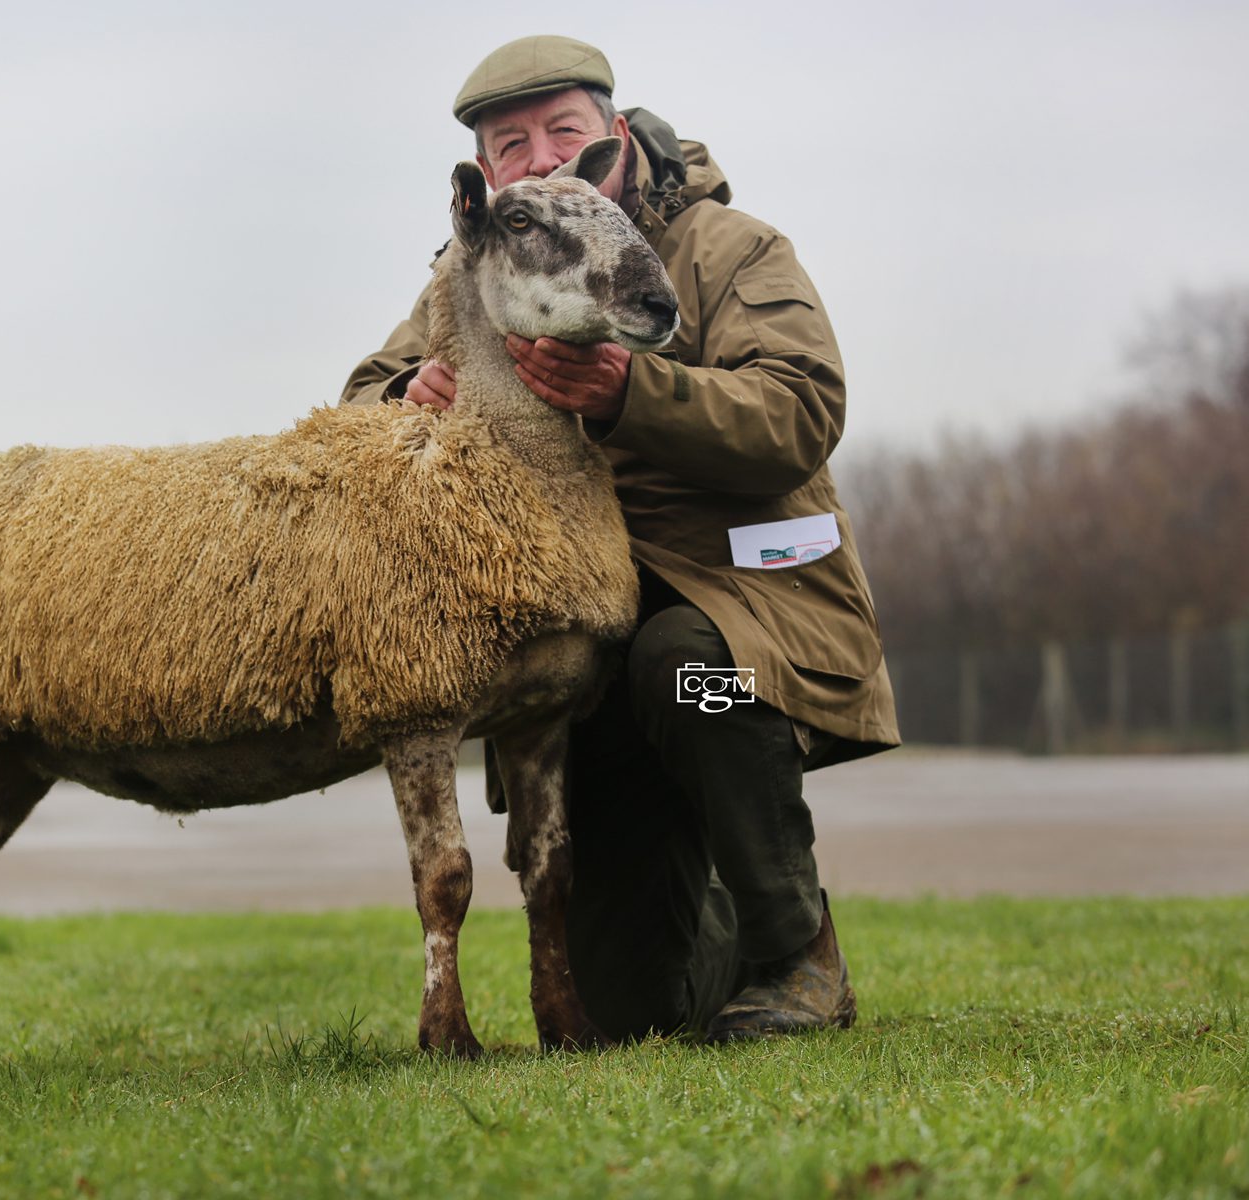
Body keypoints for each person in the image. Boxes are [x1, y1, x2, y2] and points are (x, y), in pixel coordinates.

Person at [341, 35, 900, 1042]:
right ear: (487, 170)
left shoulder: (732, 249)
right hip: (588, 650)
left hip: (747, 635)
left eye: (564, 128)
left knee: (684, 669)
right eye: (510, 143)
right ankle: (721, 913)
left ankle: (799, 952)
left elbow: (800, 412)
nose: (540, 155)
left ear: (612, 139)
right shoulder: (472, 272)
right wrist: (403, 400)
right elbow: (359, 401)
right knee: (624, 1015)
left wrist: (634, 393)